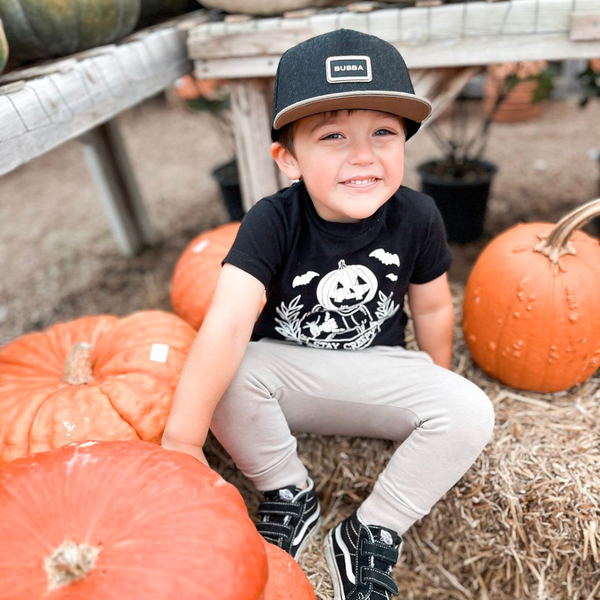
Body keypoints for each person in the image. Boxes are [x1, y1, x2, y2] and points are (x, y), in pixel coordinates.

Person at [162, 28, 494, 600]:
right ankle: (287, 490)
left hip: (382, 368)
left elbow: (434, 304)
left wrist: (434, 378)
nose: (363, 155)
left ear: (405, 145)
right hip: (289, 375)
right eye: (334, 135)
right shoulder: (272, 220)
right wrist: (182, 441)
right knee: (228, 372)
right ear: (288, 158)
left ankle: (371, 530)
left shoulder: (418, 215)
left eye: (383, 133)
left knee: (470, 412)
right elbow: (228, 323)